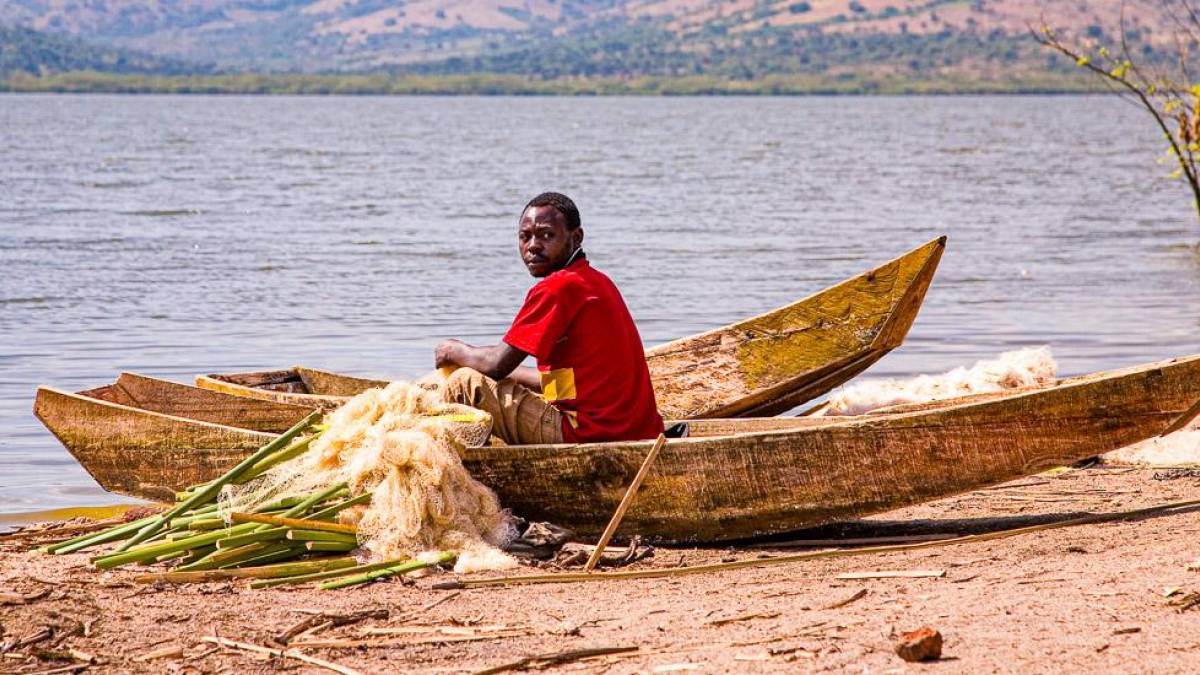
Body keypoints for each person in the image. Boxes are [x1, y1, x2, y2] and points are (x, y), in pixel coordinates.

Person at [434, 192, 663, 445]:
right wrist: (490, 370)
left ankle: (461, 463)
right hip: (634, 430)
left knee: (465, 383)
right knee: (478, 375)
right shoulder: (596, 281)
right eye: (525, 236)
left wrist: (452, 351)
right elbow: (560, 381)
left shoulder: (558, 288)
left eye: (546, 235)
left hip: (587, 432)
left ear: (576, 237)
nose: (533, 246)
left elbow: (495, 364)